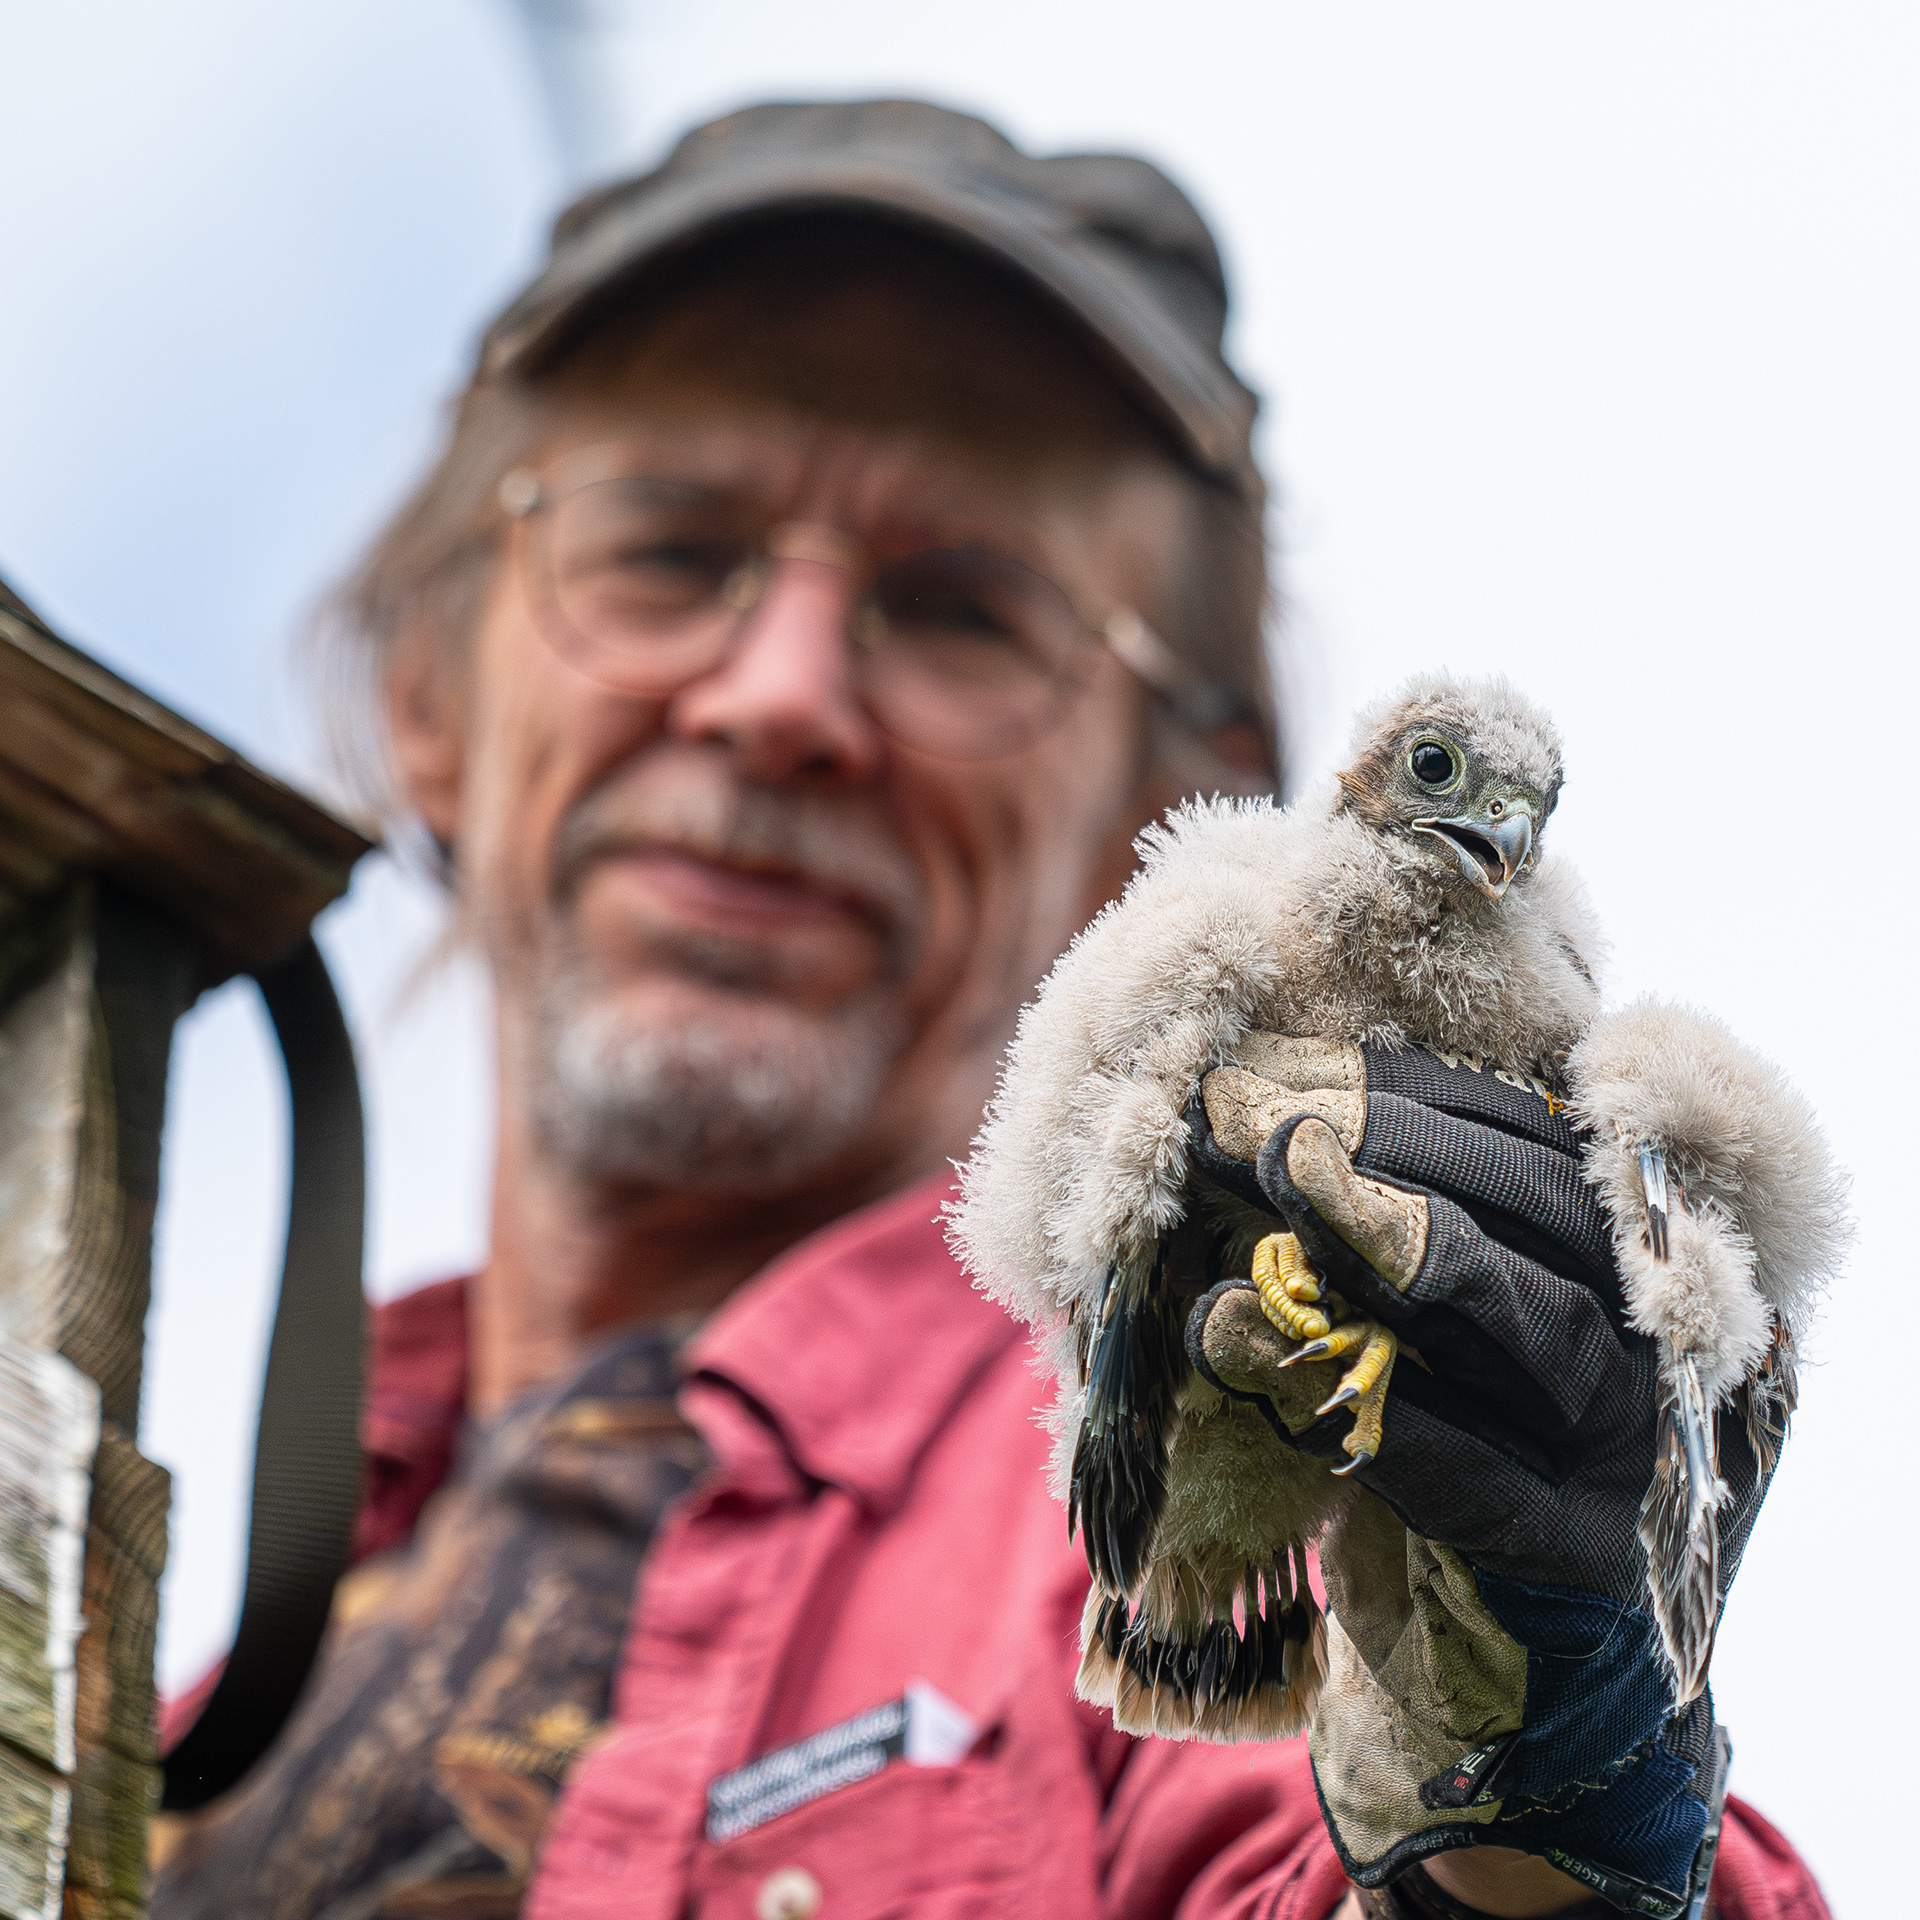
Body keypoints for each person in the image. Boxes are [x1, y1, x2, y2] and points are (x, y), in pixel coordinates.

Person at [149, 101, 1829, 1919]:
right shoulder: (132, 1688)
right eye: (666, 548)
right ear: (424, 690)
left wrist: (1523, 1824)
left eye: (964, 610)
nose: (779, 695)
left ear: (1186, 812)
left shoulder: (1207, 1438)